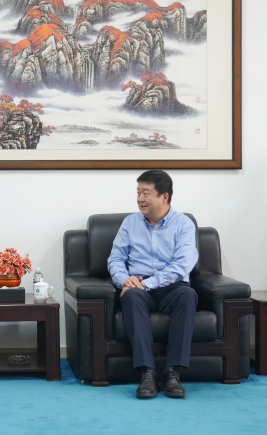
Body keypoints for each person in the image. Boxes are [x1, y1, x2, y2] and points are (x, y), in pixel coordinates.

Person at [107, 170, 199, 399]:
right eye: (138, 192)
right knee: (130, 295)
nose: (140, 198)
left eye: (146, 193)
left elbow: (183, 264)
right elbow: (115, 259)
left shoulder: (184, 225)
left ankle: (172, 372)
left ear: (164, 196)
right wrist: (124, 279)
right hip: (137, 284)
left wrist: (148, 283)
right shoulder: (130, 223)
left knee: (188, 295)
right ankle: (146, 372)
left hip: (171, 286)